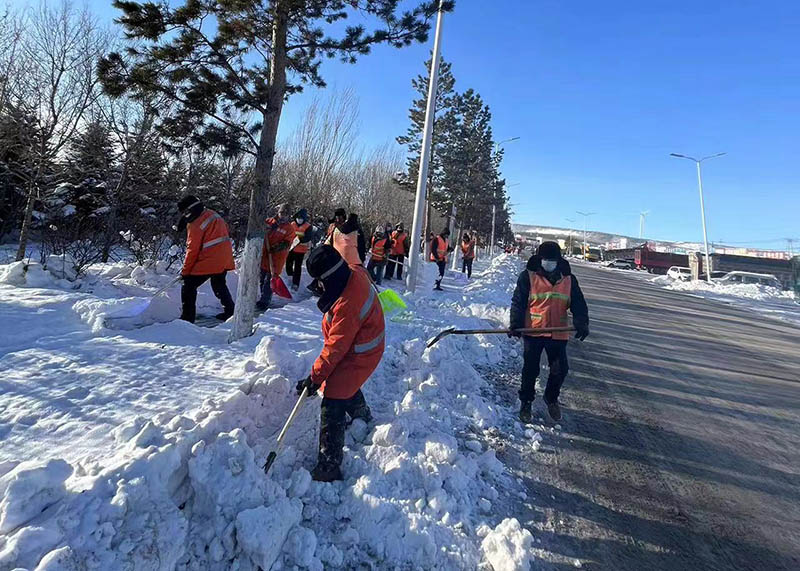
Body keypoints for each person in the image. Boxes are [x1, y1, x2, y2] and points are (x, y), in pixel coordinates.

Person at [296, 245, 385, 482]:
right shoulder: (353, 272)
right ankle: (360, 412)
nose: (319, 287)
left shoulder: (348, 303)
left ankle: (329, 464)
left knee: (334, 395)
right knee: (342, 381)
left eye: (319, 281)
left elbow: (335, 348)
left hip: (361, 351)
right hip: (360, 343)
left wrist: (315, 378)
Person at [509, 241, 589, 423]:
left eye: (552, 260)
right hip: (533, 331)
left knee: (560, 369)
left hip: (558, 332)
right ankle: (526, 402)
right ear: (540, 259)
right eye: (546, 260)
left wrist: (582, 322)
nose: (549, 263)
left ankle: (551, 398)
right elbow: (518, 302)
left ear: (558, 260)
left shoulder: (568, 279)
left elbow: (578, 303)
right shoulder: (528, 276)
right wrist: (515, 324)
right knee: (530, 369)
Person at [176, 195, 235, 323]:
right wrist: (185, 220)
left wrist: (185, 272)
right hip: (225, 257)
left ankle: (187, 319)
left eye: (186, 213)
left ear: (191, 210)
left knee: (188, 286)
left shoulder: (196, 225)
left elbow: (192, 250)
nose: (185, 216)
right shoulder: (212, 214)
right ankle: (230, 311)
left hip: (210, 259)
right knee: (219, 284)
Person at [258, 204, 295, 311]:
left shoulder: (289, 229)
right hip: (265, 255)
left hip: (276, 258)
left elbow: (287, 243)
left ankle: (265, 301)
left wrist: (275, 248)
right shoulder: (269, 222)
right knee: (262, 278)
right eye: (281, 213)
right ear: (278, 213)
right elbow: (260, 229)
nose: (283, 216)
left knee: (268, 280)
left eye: (286, 214)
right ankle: (263, 297)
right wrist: (269, 229)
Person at [286, 208, 311, 291]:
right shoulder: (292, 224)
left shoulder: (307, 226)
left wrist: (300, 240)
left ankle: (296, 283)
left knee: (297, 267)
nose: (299, 219)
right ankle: (289, 277)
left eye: (301, 218)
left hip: (301, 250)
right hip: (291, 248)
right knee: (288, 263)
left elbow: (308, 237)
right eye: (298, 217)